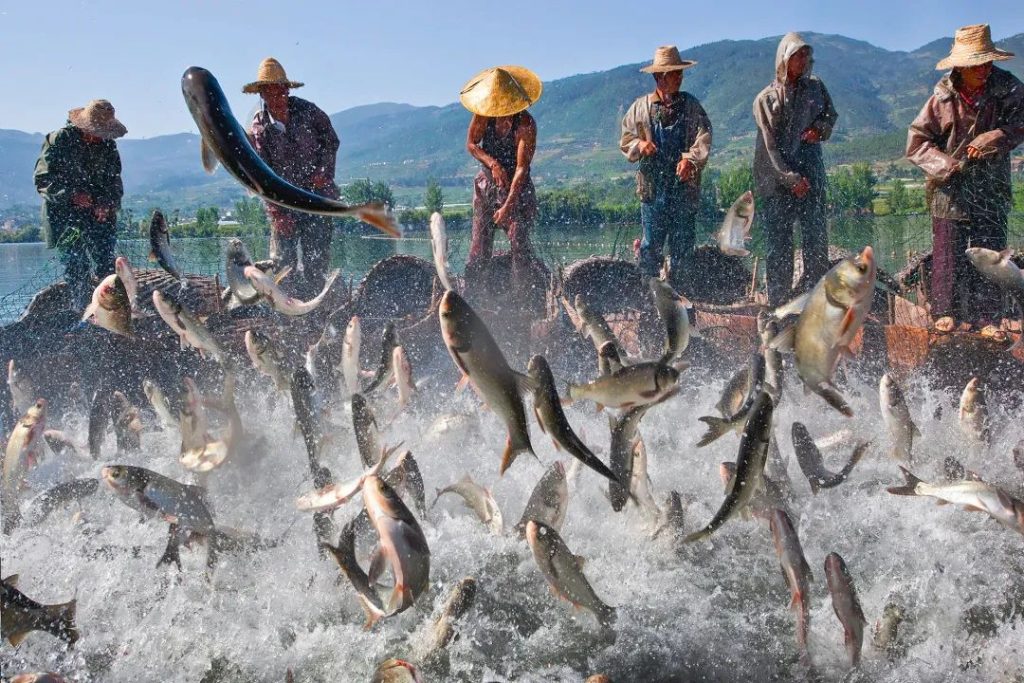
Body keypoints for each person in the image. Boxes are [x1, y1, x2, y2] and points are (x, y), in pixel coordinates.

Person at [906, 24, 1024, 323]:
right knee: (948, 254)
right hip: (950, 189)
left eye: (987, 62)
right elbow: (916, 144)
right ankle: (945, 315)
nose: (984, 69)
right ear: (961, 66)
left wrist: (996, 136)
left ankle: (989, 320)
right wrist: (949, 165)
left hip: (992, 187)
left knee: (990, 254)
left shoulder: (1007, 88)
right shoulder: (942, 97)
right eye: (976, 64)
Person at [752, 33, 837, 306]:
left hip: (811, 174)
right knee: (779, 245)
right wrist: (791, 179)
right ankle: (778, 304)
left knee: (815, 237)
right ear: (784, 59)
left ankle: (815, 299)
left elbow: (829, 116)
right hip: (776, 180)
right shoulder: (766, 100)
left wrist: (819, 130)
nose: (803, 61)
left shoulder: (816, 88)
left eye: (805, 56)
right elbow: (770, 148)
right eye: (797, 55)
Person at [620, 45, 711, 292]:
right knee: (650, 249)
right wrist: (641, 145)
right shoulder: (640, 108)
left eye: (680, 73)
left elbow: (703, 136)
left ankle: (683, 313)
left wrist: (690, 160)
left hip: (684, 192)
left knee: (683, 251)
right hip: (652, 193)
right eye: (675, 74)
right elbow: (626, 140)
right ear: (659, 77)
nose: (680, 78)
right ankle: (648, 309)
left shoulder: (691, 106)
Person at [245, 57, 340, 294]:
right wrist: (277, 214)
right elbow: (260, 175)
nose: (275, 97)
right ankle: (285, 319)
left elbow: (331, 140)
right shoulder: (260, 128)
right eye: (268, 92)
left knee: (316, 262)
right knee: (282, 267)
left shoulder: (309, 112)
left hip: (316, 197)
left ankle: (316, 311)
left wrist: (324, 172)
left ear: (287, 89)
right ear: (262, 95)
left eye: (279, 90)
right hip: (283, 203)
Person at [33, 99, 126, 309]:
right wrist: (73, 196)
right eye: (98, 131)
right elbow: (42, 180)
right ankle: (83, 314)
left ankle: (110, 315)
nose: (100, 136)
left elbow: (115, 183)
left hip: (98, 216)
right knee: (77, 267)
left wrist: (106, 204)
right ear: (85, 127)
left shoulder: (108, 144)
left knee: (106, 267)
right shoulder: (59, 140)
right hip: (64, 218)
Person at [461, 65, 542, 265]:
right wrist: (492, 164)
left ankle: (524, 293)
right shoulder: (483, 115)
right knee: (479, 248)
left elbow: (522, 168)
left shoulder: (524, 124)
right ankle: (475, 293)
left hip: (517, 187)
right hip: (486, 185)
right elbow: (471, 145)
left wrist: (507, 206)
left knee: (518, 242)